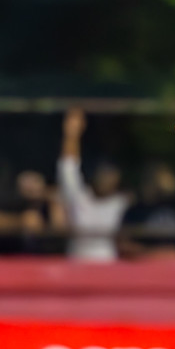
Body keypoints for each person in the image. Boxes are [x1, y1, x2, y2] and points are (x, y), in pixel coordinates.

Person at [57, 109, 129, 262]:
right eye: (102, 172)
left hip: (110, 274)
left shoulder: (123, 204)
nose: (106, 178)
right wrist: (72, 134)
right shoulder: (80, 198)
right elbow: (68, 168)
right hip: (77, 271)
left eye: (111, 173)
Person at [0, 170, 66, 256]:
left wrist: (55, 215)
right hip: (13, 256)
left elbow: (61, 231)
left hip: (45, 258)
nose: (31, 187)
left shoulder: (50, 205)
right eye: (27, 185)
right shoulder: (12, 202)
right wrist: (19, 221)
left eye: (35, 183)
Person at [119, 162, 175, 259]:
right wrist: (154, 254)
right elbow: (124, 244)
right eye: (151, 179)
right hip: (144, 264)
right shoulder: (135, 210)